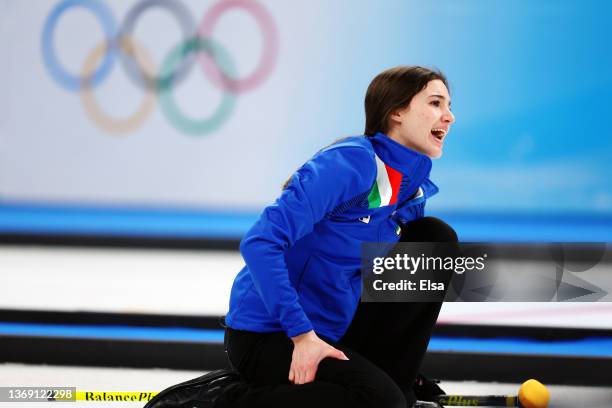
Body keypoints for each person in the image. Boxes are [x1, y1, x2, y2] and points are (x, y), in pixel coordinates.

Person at [146, 66, 457, 408]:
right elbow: (259, 243)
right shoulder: (351, 164)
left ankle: (398, 386)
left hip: (335, 328)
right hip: (272, 334)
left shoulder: (411, 190)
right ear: (396, 111)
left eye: (449, 106)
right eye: (435, 103)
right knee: (381, 403)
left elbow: (391, 292)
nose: (449, 117)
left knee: (434, 238)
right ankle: (224, 400)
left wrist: (398, 372)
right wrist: (302, 336)